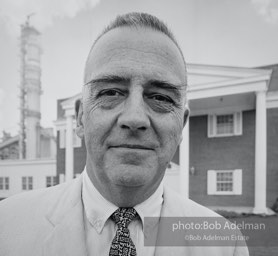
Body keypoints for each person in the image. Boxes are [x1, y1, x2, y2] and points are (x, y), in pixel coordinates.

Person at [0, 12, 249, 256]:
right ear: (80, 118)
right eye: (111, 92)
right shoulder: (7, 227)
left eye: (160, 97)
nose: (135, 118)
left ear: (181, 126)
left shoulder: (224, 244)